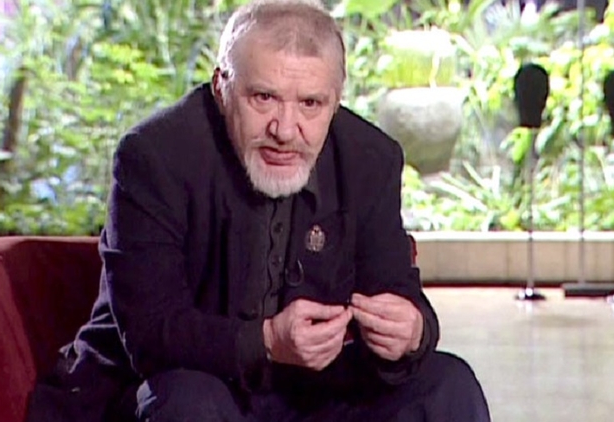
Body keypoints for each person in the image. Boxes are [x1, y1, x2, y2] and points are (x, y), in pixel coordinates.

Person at [25, 0, 490, 421]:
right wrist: (267, 342)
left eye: (310, 104)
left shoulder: (370, 159)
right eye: (263, 98)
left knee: (448, 384)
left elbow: (396, 290)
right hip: (169, 385)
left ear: (335, 101)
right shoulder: (153, 156)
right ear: (221, 86)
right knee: (189, 401)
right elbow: (151, 335)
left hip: (308, 396)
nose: (285, 130)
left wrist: (412, 331)